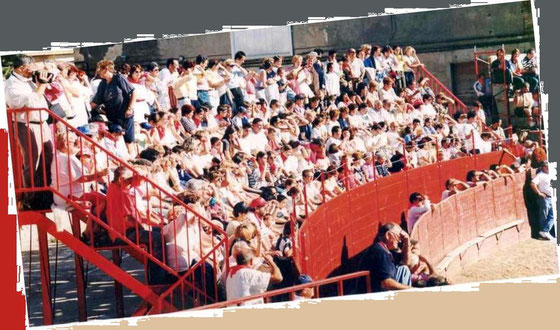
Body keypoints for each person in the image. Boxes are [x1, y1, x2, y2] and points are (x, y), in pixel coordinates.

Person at [5, 55, 54, 209]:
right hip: (26, 125)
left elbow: (51, 80)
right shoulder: (12, 85)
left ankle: (45, 193)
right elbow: (31, 104)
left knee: (47, 157)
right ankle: (31, 198)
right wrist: (41, 85)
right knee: (33, 161)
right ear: (20, 68)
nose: (32, 69)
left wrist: (44, 71)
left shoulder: (28, 79)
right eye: (30, 66)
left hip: (42, 122)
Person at [91, 60, 138, 155]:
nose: (98, 72)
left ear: (106, 69)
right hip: (112, 117)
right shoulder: (102, 84)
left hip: (125, 114)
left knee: (129, 139)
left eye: (100, 69)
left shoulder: (119, 78)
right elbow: (96, 101)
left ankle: (132, 157)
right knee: (116, 137)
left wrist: (130, 108)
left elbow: (133, 92)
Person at [358, 222, 412, 292]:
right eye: (399, 236)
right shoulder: (380, 252)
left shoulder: (386, 250)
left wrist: (407, 242)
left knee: (403, 269)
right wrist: (411, 289)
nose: (400, 241)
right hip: (373, 293)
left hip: (379, 289)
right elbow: (386, 283)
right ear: (388, 235)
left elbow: (407, 262)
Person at [530, 163, 555, 241]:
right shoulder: (540, 175)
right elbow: (532, 183)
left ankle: (545, 231)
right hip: (545, 198)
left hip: (552, 197)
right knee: (544, 216)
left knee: (553, 215)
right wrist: (539, 193)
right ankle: (543, 233)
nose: (548, 168)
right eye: (546, 167)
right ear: (543, 167)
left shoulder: (551, 174)